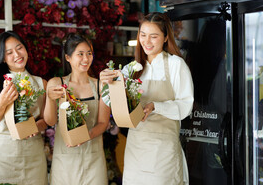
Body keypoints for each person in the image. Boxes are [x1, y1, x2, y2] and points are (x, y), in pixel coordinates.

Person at [100, 12, 194, 185]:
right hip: (136, 148)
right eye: (143, 35)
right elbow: (108, 100)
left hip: (164, 150)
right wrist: (106, 83)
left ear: (166, 38)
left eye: (154, 36)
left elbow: (185, 106)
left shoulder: (176, 65)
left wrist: (155, 106)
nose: (147, 41)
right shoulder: (132, 68)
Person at [44, 33, 110, 185]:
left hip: (93, 159)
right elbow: (50, 120)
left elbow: (103, 122)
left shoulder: (101, 85)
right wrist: (49, 97)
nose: (86, 59)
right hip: (65, 160)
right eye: (80, 54)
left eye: (89, 54)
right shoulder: (56, 83)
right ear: (68, 57)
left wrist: (85, 135)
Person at [0, 31, 48, 185]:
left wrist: (35, 127)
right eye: (9, 52)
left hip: (33, 157)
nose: (17, 54)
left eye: (19, 48)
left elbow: (46, 120)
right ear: (3, 58)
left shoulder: (41, 83)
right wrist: (3, 101)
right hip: (2, 157)